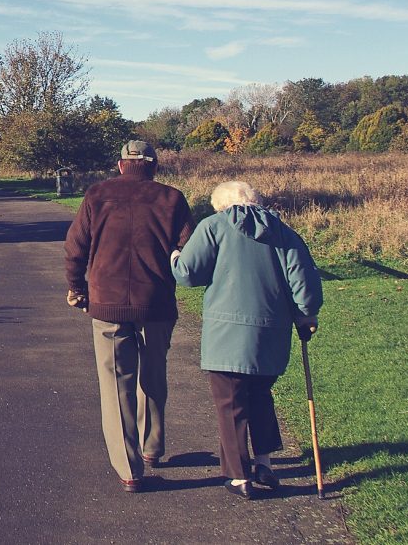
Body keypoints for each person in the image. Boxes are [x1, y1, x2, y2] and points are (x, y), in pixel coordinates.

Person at [170, 181, 323, 499]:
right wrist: (307, 315)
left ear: (221, 206)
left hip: (226, 334)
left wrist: (174, 257)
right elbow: (304, 284)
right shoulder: (284, 232)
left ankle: (239, 476)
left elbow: (188, 273)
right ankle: (264, 463)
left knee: (230, 403)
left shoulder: (213, 227)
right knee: (260, 395)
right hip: (271, 333)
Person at [64, 140, 195, 492]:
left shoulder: (97, 195)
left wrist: (77, 288)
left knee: (116, 385)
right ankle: (152, 447)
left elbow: (75, 247)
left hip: (107, 303)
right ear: (153, 165)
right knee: (154, 375)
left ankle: (129, 469)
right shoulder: (172, 198)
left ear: (121, 165)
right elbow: (188, 250)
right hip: (157, 304)